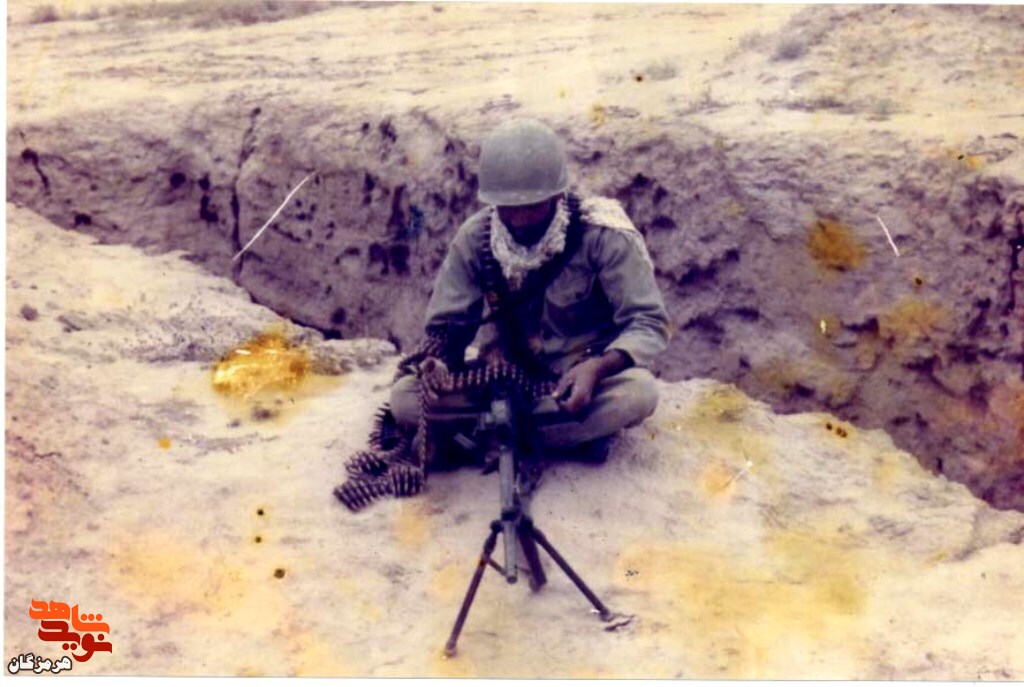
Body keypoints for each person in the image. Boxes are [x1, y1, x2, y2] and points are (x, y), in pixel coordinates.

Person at [390, 118, 669, 464]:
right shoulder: (476, 239)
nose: (520, 220)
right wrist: (439, 364)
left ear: (557, 195)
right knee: (405, 399)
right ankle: (562, 436)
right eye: (509, 209)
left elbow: (648, 322)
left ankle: (488, 437)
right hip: (508, 377)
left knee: (638, 394)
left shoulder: (601, 234)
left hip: (581, 378)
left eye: (532, 206)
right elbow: (447, 330)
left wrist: (597, 368)